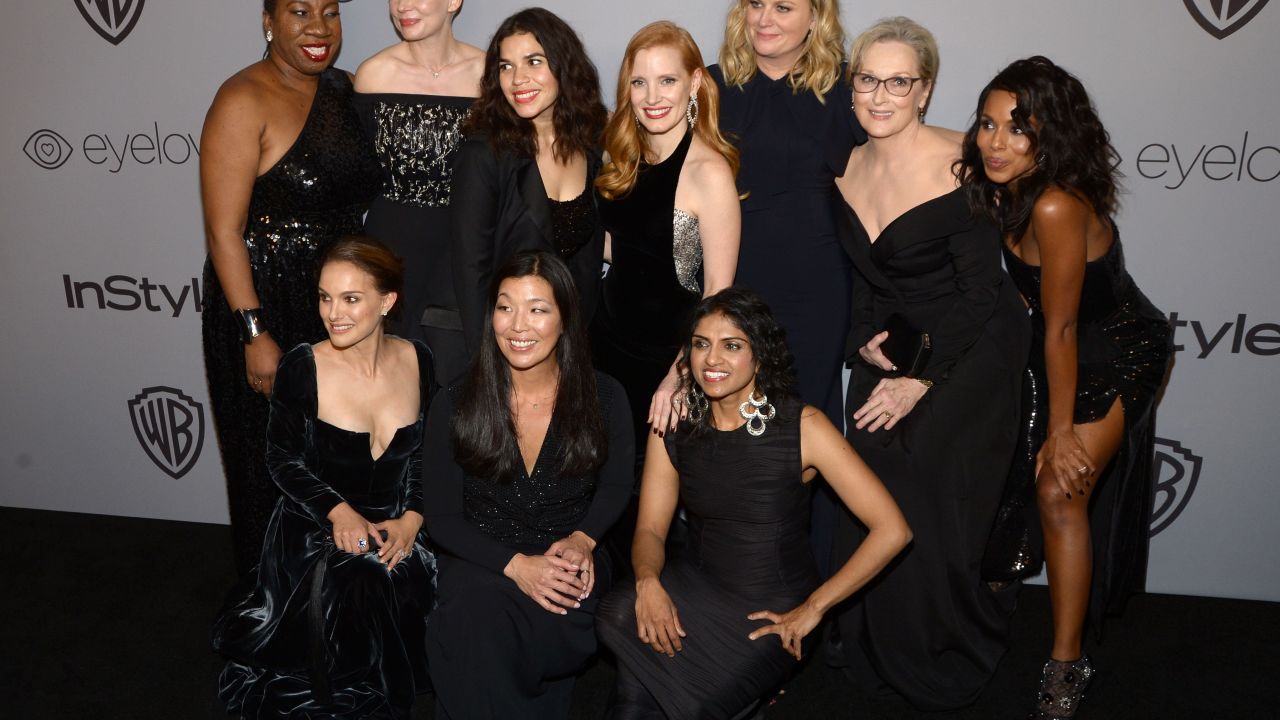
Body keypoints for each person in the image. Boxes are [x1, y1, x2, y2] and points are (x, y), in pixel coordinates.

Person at [960, 56, 1172, 719]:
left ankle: (1066, 660)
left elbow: (1063, 330)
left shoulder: (1053, 204)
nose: (995, 142)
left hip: (1118, 351)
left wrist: (1057, 433)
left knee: (1058, 487)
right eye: (987, 124)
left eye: (1016, 129)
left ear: (1049, 135)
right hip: (1060, 345)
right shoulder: (1003, 186)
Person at [829, 18, 1030, 710]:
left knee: (922, 466)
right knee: (866, 456)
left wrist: (920, 380)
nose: (880, 96)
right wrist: (862, 339)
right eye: (867, 79)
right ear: (851, 85)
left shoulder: (959, 163)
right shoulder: (847, 165)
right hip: (902, 338)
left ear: (925, 90)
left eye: (898, 82)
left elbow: (981, 293)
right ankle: (875, 639)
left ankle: (943, 643)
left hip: (975, 346)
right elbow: (863, 278)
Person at [596, 288, 911, 720]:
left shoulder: (804, 428)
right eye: (701, 344)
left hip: (772, 609)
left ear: (760, 356)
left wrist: (813, 608)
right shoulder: (675, 424)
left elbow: (893, 529)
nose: (712, 360)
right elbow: (650, 529)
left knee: (677, 700)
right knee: (619, 616)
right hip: (697, 585)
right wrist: (649, 582)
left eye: (732, 346)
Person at [212, 236, 435, 719]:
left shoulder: (418, 360)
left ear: (387, 301)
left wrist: (413, 518)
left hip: (395, 524)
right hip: (313, 525)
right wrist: (339, 511)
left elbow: (423, 458)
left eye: (351, 299)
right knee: (358, 578)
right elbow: (282, 460)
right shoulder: (304, 365)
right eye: (324, 296)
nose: (333, 312)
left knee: (410, 578)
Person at [201, 0, 382, 576]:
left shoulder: (348, 91)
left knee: (343, 464)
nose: (318, 28)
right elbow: (224, 233)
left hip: (340, 308)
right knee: (273, 466)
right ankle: (276, 612)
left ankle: (342, 602)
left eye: (329, 12)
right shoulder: (241, 99)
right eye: (300, 10)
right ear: (268, 20)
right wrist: (254, 332)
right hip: (267, 303)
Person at [422, 251, 634, 719]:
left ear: (566, 319)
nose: (518, 325)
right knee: (471, 621)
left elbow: (618, 484)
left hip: (567, 557)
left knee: (502, 633)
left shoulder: (606, 397)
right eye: (505, 306)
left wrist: (584, 539)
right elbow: (441, 518)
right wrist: (515, 565)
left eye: (538, 309)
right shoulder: (455, 401)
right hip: (482, 555)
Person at [710, 0, 865, 574]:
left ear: (816, 16)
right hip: (733, 288)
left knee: (811, 430)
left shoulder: (846, 94)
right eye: (755, 3)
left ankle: (819, 583)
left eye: (784, 5)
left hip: (817, 291)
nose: (766, 17)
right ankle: (737, 577)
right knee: (730, 429)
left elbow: (880, 194)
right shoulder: (710, 87)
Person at [592, 20, 741, 456]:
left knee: (650, 499)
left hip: (665, 358)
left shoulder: (708, 173)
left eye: (667, 80)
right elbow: (626, 250)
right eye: (640, 82)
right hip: (603, 345)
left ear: (694, 82)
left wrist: (679, 375)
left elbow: (718, 292)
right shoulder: (619, 155)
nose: (652, 97)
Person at [450, 7, 608, 367]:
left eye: (533, 62)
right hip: (494, 346)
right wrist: (487, 365)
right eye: (505, 67)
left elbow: (586, 260)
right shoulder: (484, 153)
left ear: (563, 66)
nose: (518, 79)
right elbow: (471, 271)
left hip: (562, 348)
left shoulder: (591, 146)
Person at [354, 0, 484, 386]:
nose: (403, 6)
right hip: (389, 255)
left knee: (457, 390)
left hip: (461, 256)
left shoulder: (489, 75)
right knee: (391, 389)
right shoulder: (373, 75)